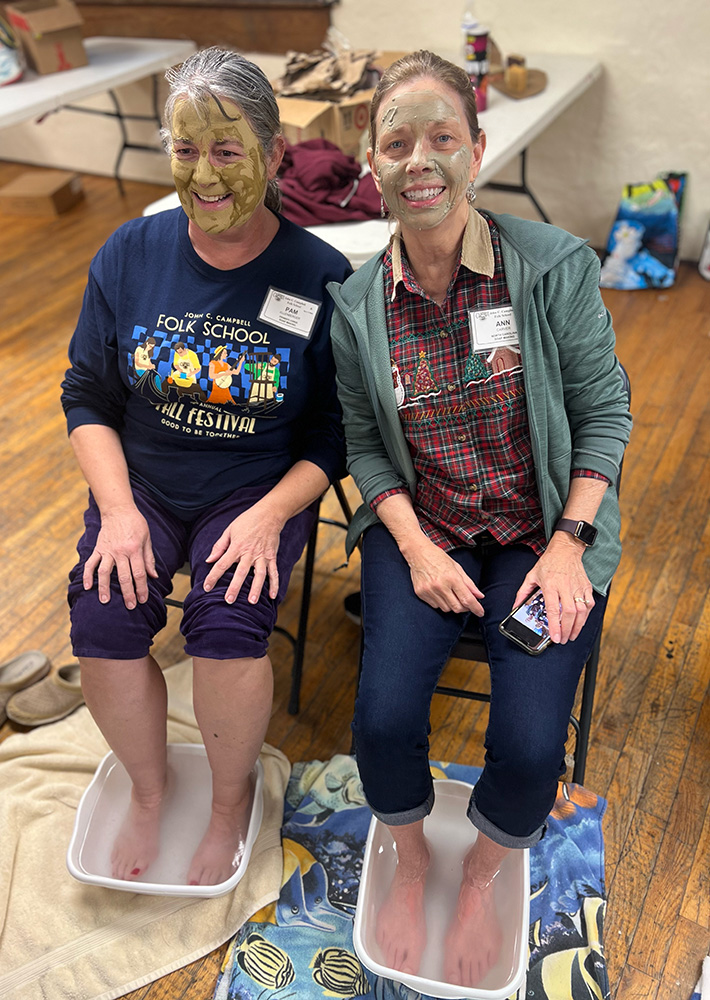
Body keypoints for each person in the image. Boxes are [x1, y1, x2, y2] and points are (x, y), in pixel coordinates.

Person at [328, 51, 631, 986]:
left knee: (532, 742)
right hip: (429, 528)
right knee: (379, 723)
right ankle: (413, 852)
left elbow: (605, 414)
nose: (420, 160)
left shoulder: (549, 269)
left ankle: (486, 872)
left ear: (477, 150)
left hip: (542, 532)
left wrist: (572, 544)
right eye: (397, 142)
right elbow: (367, 450)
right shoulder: (355, 306)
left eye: (442, 138)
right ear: (371, 164)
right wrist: (414, 549)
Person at [61, 47, 350, 887]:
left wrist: (269, 515)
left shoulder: (318, 275)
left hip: (254, 489)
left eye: (228, 151)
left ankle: (228, 804)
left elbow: (333, 434)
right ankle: (150, 793)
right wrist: (116, 513)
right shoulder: (130, 252)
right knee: (105, 617)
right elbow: (87, 395)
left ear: (274, 153)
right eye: (187, 150)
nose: (206, 174)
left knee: (226, 627)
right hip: (142, 485)